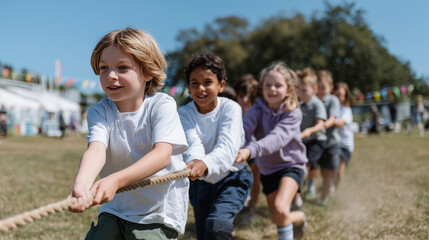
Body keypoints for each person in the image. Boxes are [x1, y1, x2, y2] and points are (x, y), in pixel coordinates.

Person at [68, 28, 189, 240]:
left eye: (122, 67)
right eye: (104, 68)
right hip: (116, 207)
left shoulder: (162, 105)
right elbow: (96, 149)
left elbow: (162, 155)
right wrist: (82, 185)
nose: (111, 76)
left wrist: (115, 181)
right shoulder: (100, 111)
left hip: (157, 211)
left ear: (148, 72)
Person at [178, 51, 252, 240]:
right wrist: (195, 161)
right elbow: (192, 142)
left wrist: (203, 164)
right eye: (195, 83)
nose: (200, 88)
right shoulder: (184, 113)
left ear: (221, 86)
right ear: (188, 87)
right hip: (201, 183)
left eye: (207, 82)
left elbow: (227, 148)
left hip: (231, 177)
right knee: (204, 235)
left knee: (217, 227)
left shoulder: (231, 109)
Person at [236, 62, 307, 240]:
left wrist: (249, 151)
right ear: (261, 88)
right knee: (278, 217)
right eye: (268, 85)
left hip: (291, 165)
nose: (272, 89)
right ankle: (298, 219)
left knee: (280, 209)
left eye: (278, 85)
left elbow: (277, 138)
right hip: (268, 169)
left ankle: (299, 217)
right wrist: (236, 148)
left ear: (289, 90)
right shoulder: (255, 111)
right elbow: (243, 131)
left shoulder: (293, 113)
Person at [233, 74, 261, 225]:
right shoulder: (232, 111)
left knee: (257, 171)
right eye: (241, 96)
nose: (245, 100)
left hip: (254, 149)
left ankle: (251, 207)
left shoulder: (258, 111)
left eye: (248, 96)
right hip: (236, 151)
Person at [297, 68, 327, 201]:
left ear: (314, 89)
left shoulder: (317, 104)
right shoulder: (297, 104)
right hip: (303, 140)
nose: (301, 93)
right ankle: (306, 182)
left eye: (304, 90)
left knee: (310, 163)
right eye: (299, 90)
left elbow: (321, 125)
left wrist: (309, 131)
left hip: (317, 140)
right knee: (304, 164)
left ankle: (309, 182)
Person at [316, 70, 341, 206]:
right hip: (317, 143)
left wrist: (321, 126)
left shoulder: (332, 100)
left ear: (331, 88)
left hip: (331, 144)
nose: (320, 91)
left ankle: (324, 196)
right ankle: (318, 191)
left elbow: (332, 119)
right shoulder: (313, 101)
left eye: (323, 88)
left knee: (328, 172)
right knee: (319, 170)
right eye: (318, 88)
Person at [333, 82, 354, 190]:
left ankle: (334, 190)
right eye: (337, 95)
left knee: (340, 172)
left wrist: (327, 122)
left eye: (342, 95)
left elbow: (340, 123)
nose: (340, 98)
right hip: (334, 143)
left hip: (345, 145)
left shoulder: (347, 110)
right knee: (332, 169)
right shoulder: (331, 108)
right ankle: (330, 187)